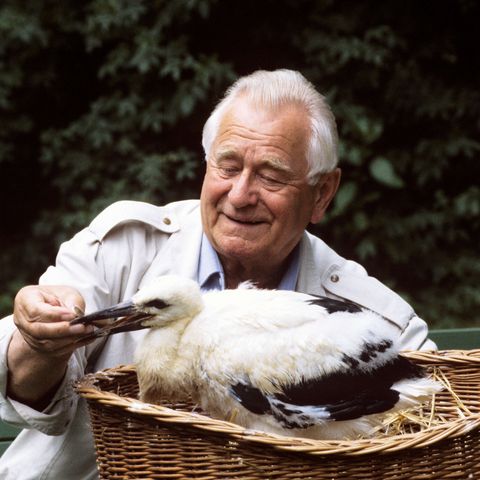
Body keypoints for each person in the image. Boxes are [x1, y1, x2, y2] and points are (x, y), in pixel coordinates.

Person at [0, 69, 436, 479]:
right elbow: (28, 390)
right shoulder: (123, 248)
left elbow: (436, 423)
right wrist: (39, 342)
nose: (241, 195)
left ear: (321, 194)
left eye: (271, 176)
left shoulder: (375, 318)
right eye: (227, 167)